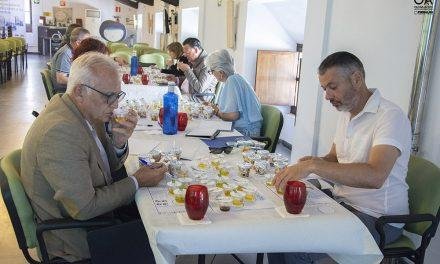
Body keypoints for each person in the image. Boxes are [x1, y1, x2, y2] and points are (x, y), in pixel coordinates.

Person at [21, 52, 167, 262]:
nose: (115, 105)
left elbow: (104, 167)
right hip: (77, 238)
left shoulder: (80, 111)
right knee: (158, 236)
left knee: (155, 215)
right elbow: (84, 208)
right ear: (80, 91)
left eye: (118, 95)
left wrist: (117, 143)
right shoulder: (60, 132)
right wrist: (137, 181)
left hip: (95, 217)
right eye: (109, 97)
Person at [269, 51, 411, 264]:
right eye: (324, 89)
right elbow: (335, 158)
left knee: (297, 246)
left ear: (356, 79)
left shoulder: (390, 116)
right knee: (278, 231)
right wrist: (310, 163)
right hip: (343, 202)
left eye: (332, 87)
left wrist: (315, 165)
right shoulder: (346, 113)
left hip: (379, 218)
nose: (327, 96)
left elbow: (375, 176)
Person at [206, 49, 263, 136]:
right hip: (246, 129)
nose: (212, 74)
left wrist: (216, 111)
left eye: (212, 71)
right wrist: (215, 108)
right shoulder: (236, 78)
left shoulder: (232, 81)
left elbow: (232, 116)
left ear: (220, 72)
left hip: (247, 134)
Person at [50, 27, 90, 93]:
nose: (89, 45)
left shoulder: (70, 50)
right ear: (78, 43)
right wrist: (81, 83)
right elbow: (61, 79)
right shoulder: (65, 53)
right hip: (63, 91)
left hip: (69, 88)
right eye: (87, 42)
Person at [177, 37, 217, 101]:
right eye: (184, 53)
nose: (185, 55)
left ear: (196, 50)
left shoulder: (207, 63)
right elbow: (191, 79)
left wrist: (187, 70)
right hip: (190, 93)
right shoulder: (196, 60)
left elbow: (200, 88)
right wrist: (177, 79)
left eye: (187, 53)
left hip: (200, 98)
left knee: (173, 99)